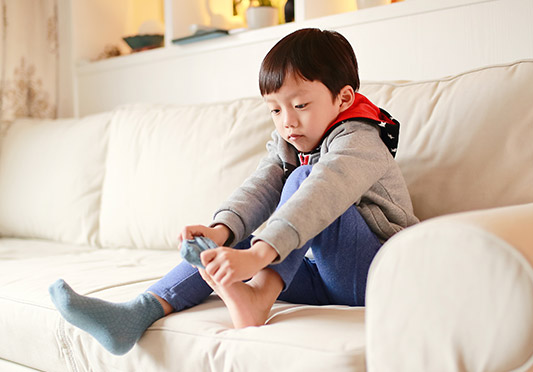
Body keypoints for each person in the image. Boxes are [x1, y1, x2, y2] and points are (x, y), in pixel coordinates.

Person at [48, 28, 419, 356]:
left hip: (374, 274)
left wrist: (259, 255)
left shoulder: (361, 138)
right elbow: (260, 187)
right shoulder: (289, 140)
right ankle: (138, 312)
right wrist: (220, 231)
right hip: (320, 278)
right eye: (274, 110)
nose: (287, 121)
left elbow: (323, 191)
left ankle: (257, 299)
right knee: (223, 246)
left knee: (305, 179)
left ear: (343, 98)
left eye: (300, 105)